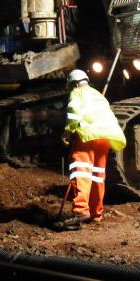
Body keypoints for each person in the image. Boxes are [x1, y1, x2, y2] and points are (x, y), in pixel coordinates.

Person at [55, 69, 126, 231]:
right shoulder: (98, 95)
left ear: (73, 83)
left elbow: (74, 114)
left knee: (81, 173)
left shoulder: (76, 93)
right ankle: (96, 213)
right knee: (97, 176)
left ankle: (80, 212)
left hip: (86, 137)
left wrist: (67, 134)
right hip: (105, 139)